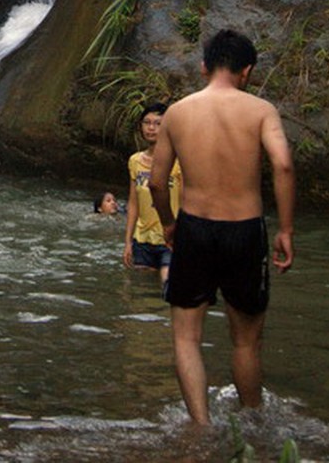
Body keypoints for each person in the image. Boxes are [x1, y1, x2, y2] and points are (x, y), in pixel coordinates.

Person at [149, 29, 296, 426]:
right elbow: (283, 164)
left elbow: (157, 182)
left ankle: (200, 427)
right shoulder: (261, 110)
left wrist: (169, 224)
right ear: (246, 71)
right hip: (245, 230)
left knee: (185, 337)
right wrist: (285, 229)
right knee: (246, 341)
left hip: (195, 228)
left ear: (203, 66)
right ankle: (253, 423)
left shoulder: (177, 112)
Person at [123, 102, 182, 283]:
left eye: (158, 123)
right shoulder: (135, 161)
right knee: (141, 291)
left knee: (168, 287)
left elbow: (188, 199)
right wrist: (128, 242)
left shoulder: (179, 161)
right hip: (142, 239)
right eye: (146, 122)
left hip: (171, 239)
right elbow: (133, 203)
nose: (151, 128)